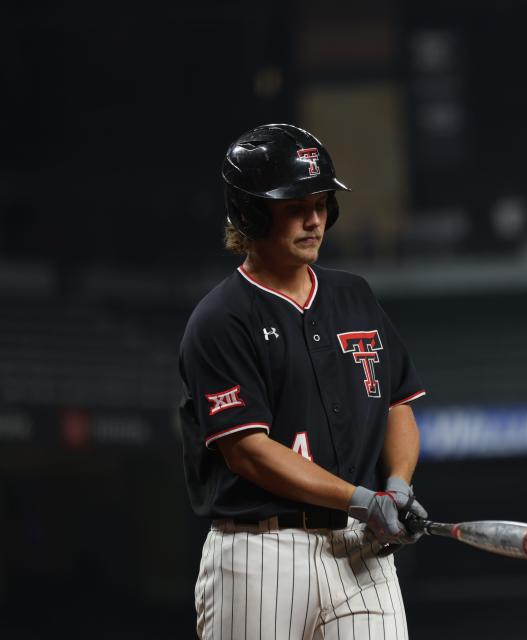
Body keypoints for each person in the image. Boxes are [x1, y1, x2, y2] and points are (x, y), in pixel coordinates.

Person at [179, 123, 428, 639]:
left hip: (362, 550)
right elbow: (247, 450)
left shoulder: (355, 296)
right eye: (296, 207)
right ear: (249, 214)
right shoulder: (221, 318)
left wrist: (398, 486)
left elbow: (398, 404)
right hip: (260, 555)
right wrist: (363, 499)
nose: (315, 219)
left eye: (321, 205)